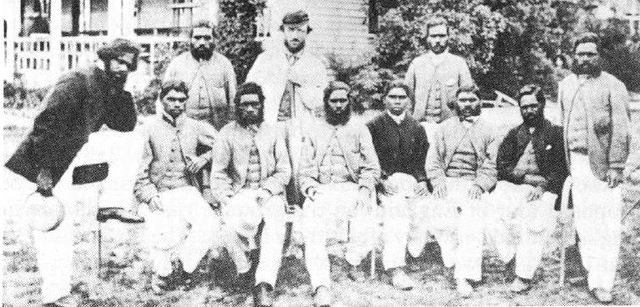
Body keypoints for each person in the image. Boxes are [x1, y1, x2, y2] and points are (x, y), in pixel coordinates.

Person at [4, 38, 142, 307]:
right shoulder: (78, 79)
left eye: (129, 65)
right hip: (48, 159)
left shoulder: (109, 86)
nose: (123, 68)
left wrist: (123, 92)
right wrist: (44, 172)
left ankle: (111, 204)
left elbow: (125, 126)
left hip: (74, 155)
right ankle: (54, 294)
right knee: (55, 225)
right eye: (119, 61)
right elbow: (46, 122)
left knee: (132, 141)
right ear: (105, 58)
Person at [557, 32, 631, 303]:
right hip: (576, 164)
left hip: (603, 165)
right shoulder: (566, 85)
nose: (585, 59)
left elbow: (621, 129)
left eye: (590, 54)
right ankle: (590, 272)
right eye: (580, 54)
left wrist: (616, 165)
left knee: (607, 224)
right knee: (586, 222)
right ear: (573, 56)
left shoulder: (614, 85)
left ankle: (603, 282)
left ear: (599, 56)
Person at [134, 79, 220, 295]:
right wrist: (149, 194)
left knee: (210, 223)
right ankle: (162, 273)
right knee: (164, 229)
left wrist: (203, 158)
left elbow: (223, 146)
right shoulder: (149, 129)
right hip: (159, 191)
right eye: (171, 99)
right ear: (161, 100)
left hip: (187, 190)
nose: (177, 104)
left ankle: (184, 266)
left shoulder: (195, 126)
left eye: (181, 100)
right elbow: (138, 170)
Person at [298, 81, 380, 306]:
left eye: (343, 101)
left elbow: (371, 166)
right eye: (333, 101)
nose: (338, 105)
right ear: (326, 103)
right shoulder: (314, 129)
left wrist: (364, 188)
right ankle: (321, 284)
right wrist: (311, 188)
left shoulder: (360, 128)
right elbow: (304, 170)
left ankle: (353, 260)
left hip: (351, 188)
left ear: (349, 102)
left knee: (367, 212)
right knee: (312, 226)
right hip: (322, 190)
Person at [210, 82, 291, 307]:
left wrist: (268, 190)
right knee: (228, 224)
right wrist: (227, 197)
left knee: (276, 222)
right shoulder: (226, 134)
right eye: (244, 105)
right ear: (237, 107)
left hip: (268, 192)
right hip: (239, 192)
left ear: (261, 105)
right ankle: (245, 269)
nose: (249, 109)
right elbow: (218, 174)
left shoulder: (272, 132)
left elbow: (284, 170)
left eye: (254, 104)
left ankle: (264, 283)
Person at [485, 84, 568, 293]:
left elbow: (562, 168)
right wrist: (523, 179)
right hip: (516, 185)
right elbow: (502, 165)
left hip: (544, 189)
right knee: (488, 212)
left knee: (534, 221)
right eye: (524, 107)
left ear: (542, 105)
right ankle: (510, 257)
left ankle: (524, 274)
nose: (529, 111)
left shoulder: (556, 134)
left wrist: (543, 186)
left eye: (533, 106)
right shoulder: (514, 134)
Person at [246, 10, 328, 210]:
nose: (295, 35)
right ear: (283, 31)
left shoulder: (315, 64)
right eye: (291, 30)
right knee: (273, 166)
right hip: (271, 122)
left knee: (298, 166)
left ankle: (299, 209)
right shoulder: (266, 60)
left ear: (307, 32)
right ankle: (274, 208)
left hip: (300, 125)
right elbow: (251, 89)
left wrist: (301, 82)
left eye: (300, 30)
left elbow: (320, 101)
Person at [425, 84, 498, 297]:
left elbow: (492, 165)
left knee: (471, 222)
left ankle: (463, 275)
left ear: (480, 102)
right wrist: (438, 182)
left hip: (473, 183)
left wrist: (479, 184)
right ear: (456, 103)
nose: (467, 104)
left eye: (471, 100)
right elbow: (433, 161)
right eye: (463, 100)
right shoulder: (444, 128)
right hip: (447, 181)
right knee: (439, 217)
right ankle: (455, 258)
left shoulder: (489, 130)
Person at [366, 80, 429, 290]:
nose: (397, 101)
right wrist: (381, 179)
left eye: (402, 97)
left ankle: (413, 252)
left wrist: (422, 180)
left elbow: (422, 159)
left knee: (423, 208)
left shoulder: (417, 127)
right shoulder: (374, 126)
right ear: (385, 99)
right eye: (392, 96)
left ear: (409, 101)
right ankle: (395, 268)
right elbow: (368, 160)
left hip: (410, 181)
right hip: (385, 183)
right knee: (396, 209)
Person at [405, 16, 473, 136]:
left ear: (448, 37)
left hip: (451, 128)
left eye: (441, 36)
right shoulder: (417, 63)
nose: (437, 40)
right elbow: (406, 97)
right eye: (433, 36)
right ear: (427, 38)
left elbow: (469, 98)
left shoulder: (459, 63)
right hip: (421, 127)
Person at [164, 20, 237, 131]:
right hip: (183, 130)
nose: (202, 42)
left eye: (207, 38)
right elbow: (163, 98)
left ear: (214, 40)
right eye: (197, 38)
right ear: (190, 40)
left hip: (216, 130)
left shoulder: (224, 64)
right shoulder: (177, 64)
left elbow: (233, 100)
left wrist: (230, 130)